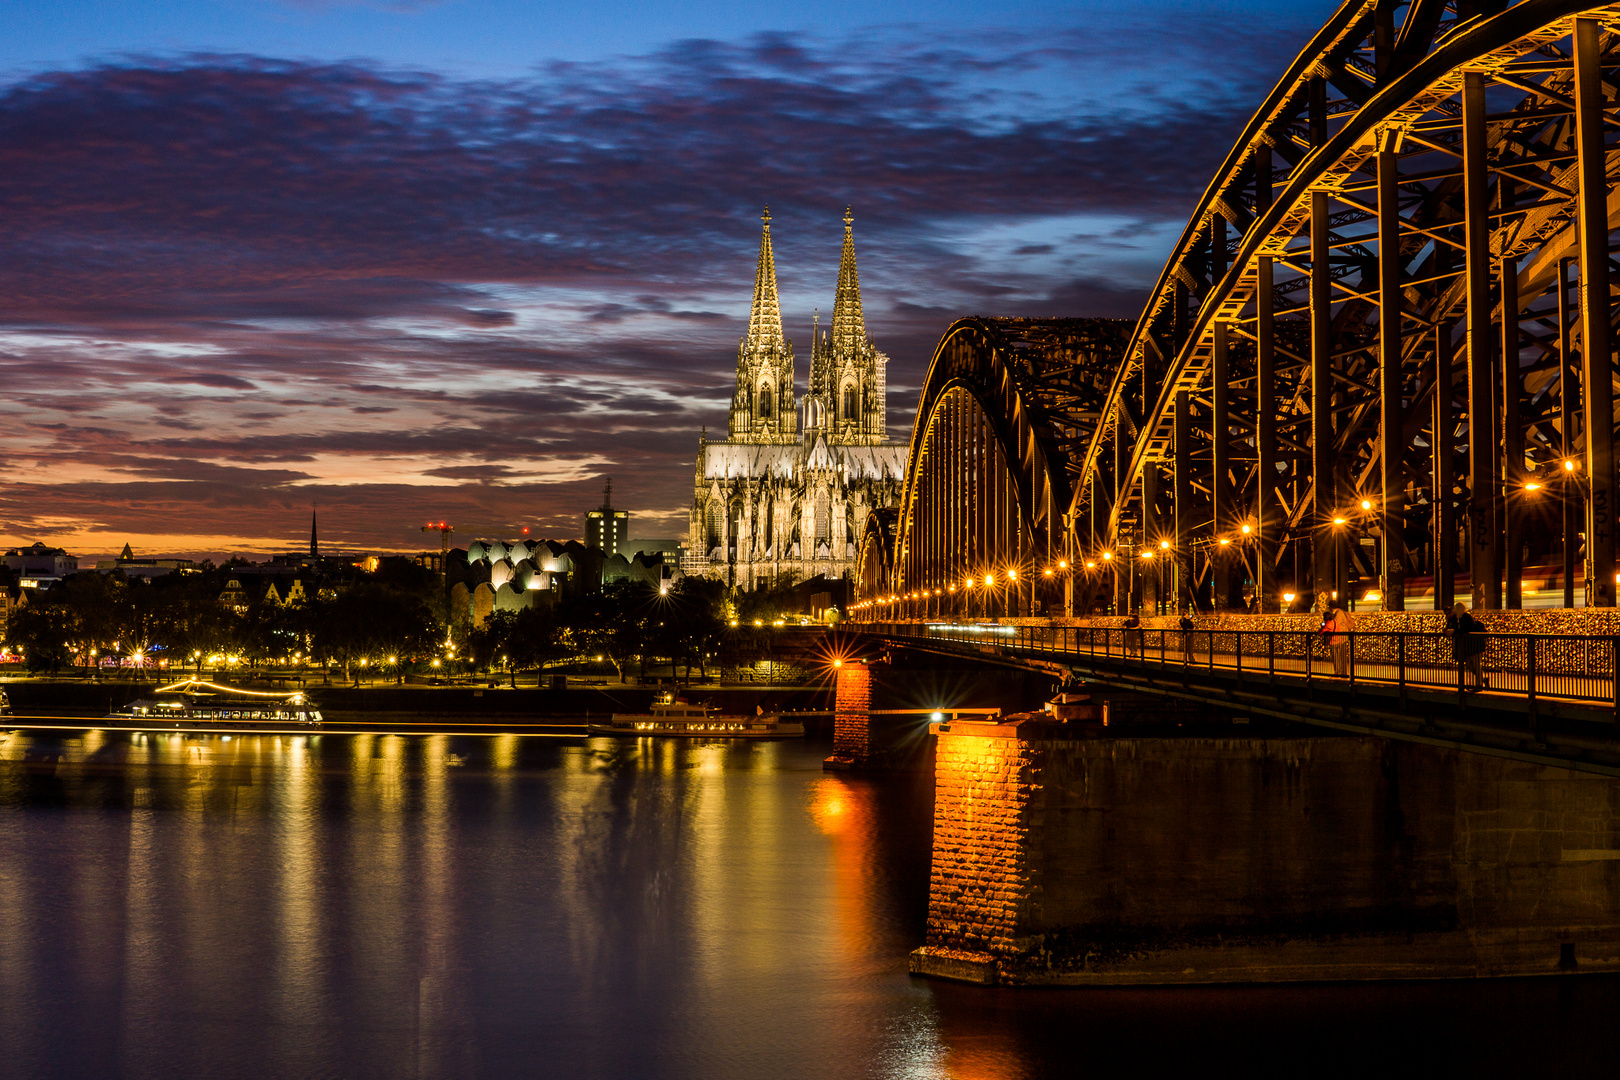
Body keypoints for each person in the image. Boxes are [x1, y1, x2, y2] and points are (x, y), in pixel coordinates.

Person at [1447, 601, 1489, 691]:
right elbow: (1451, 628)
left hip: (1475, 645)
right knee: (1470, 666)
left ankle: (1479, 685)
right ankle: (1483, 679)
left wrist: (1454, 631)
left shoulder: (1467, 617)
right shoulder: (1455, 618)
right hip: (1467, 647)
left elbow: (1465, 630)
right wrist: (1449, 620)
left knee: (1476, 665)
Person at [1323, 602, 1352, 676]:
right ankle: (1341, 672)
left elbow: (1334, 624)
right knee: (1341, 656)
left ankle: (1339, 672)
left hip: (1339, 638)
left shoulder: (1338, 613)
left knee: (1338, 656)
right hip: (1341, 638)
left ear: (1330, 607)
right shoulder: (1340, 612)